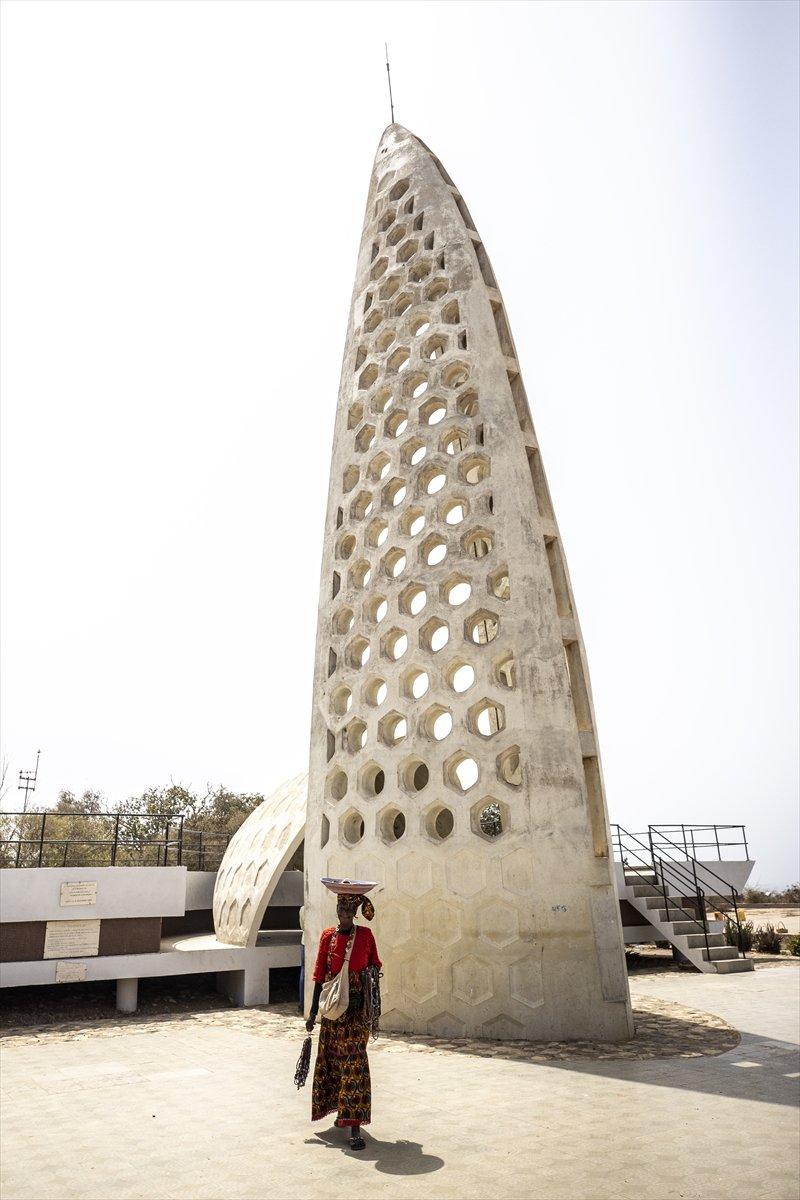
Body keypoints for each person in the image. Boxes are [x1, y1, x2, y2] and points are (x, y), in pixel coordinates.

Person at [305, 881, 381, 1151]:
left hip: (357, 1015)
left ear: (355, 911)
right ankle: (341, 1113)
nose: (343, 913)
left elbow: (375, 971)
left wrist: (371, 1008)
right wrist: (313, 1012)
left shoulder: (366, 936)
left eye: (348, 909)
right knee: (334, 1063)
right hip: (334, 1013)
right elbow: (318, 976)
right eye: (340, 908)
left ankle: (354, 1125)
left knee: (354, 1064)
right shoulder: (328, 937)